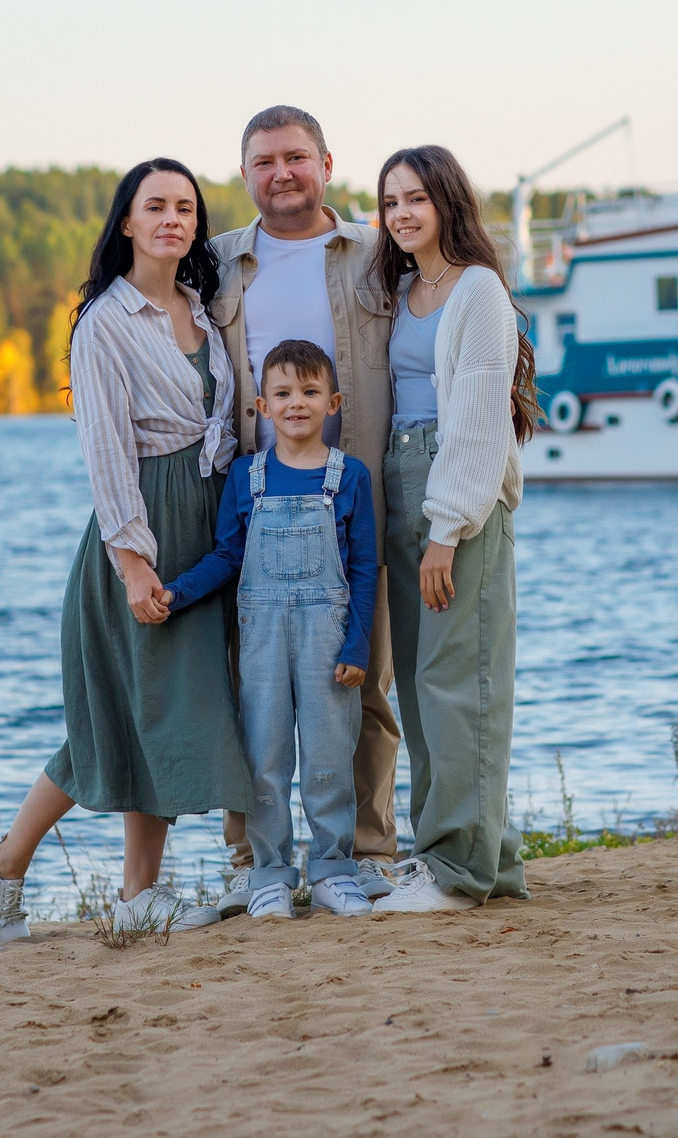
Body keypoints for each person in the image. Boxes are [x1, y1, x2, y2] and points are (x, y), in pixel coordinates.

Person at [0, 158, 253, 941]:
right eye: (154, 205)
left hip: (207, 521)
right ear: (125, 220)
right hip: (145, 527)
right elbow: (106, 453)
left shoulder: (202, 305)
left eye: (186, 207)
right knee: (116, 717)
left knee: (156, 711)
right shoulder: (103, 324)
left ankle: (135, 896)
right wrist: (133, 562)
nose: (173, 219)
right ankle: (1, 863)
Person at [206, 106, 401, 909]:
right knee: (248, 686)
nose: (281, 173)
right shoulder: (216, 262)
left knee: (365, 678)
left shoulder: (375, 251)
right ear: (246, 172)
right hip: (254, 500)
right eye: (264, 161)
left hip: (358, 490)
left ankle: (364, 850)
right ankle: (254, 860)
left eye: (295, 157)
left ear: (326, 161)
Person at [150, 340, 379, 921]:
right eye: (283, 393)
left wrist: (358, 644)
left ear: (334, 402)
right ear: (261, 406)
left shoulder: (349, 477)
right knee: (265, 757)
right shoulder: (246, 478)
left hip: (328, 640)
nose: (296, 403)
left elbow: (361, 570)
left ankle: (332, 869)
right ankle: (271, 875)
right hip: (261, 640)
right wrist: (176, 593)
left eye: (309, 392)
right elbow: (228, 556)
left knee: (329, 757)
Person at [368, 144, 535, 913]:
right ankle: (473, 856)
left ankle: (456, 872)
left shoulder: (478, 292)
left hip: (453, 490)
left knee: (458, 677)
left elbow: (475, 419)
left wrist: (447, 527)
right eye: (390, 200)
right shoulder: (404, 289)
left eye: (416, 198)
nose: (402, 213)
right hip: (404, 483)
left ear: (447, 203)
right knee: (423, 680)